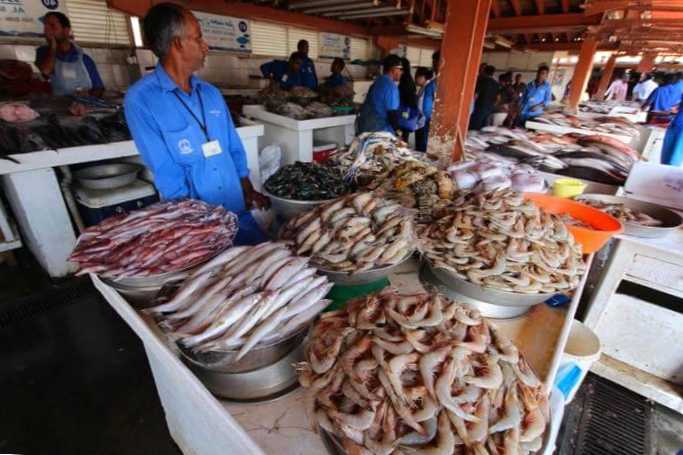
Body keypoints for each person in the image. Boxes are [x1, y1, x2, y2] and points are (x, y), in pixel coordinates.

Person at [124, 3, 268, 246]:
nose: (205, 45)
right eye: (198, 37)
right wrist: (193, 226)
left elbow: (233, 146)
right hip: (197, 224)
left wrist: (247, 189)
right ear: (177, 44)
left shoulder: (211, 93)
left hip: (237, 209)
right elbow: (166, 171)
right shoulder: (141, 99)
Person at [35, 11, 104, 97]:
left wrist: (88, 95)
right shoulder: (43, 53)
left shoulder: (84, 59)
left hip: (84, 104)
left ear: (66, 31)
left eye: (52, 26)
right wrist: (53, 47)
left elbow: (99, 88)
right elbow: (46, 71)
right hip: (57, 104)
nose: (48, 31)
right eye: (46, 28)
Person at [356, 54, 402, 135]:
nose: (401, 72)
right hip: (380, 129)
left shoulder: (378, 81)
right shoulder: (391, 86)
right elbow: (392, 114)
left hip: (365, 126)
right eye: (400, 69)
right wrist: (398, 132)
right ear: (393, 69)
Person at [415, 51, 439, 152]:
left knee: (423, 148)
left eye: (435, 64)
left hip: (427, 122)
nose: (434, 67)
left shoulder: (431, 85)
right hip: (429, 122)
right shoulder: (432, 84)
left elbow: (425, 109)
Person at [470, 65, 499, 130]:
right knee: (483, 127)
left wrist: (471, 106)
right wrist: (492, 105)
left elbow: (476, 95)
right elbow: (498, 98)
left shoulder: (482, 81)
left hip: (480, 106)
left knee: (474, 127)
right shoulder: (496, 84)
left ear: (485, 72)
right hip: (489, 108)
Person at [398, 57, 418, 142]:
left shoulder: (405, 80)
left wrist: (405, 113)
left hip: (406, 110)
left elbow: (408, 98)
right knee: (404, 134)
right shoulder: (408, 78)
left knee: (403, 133)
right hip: (407, 110)